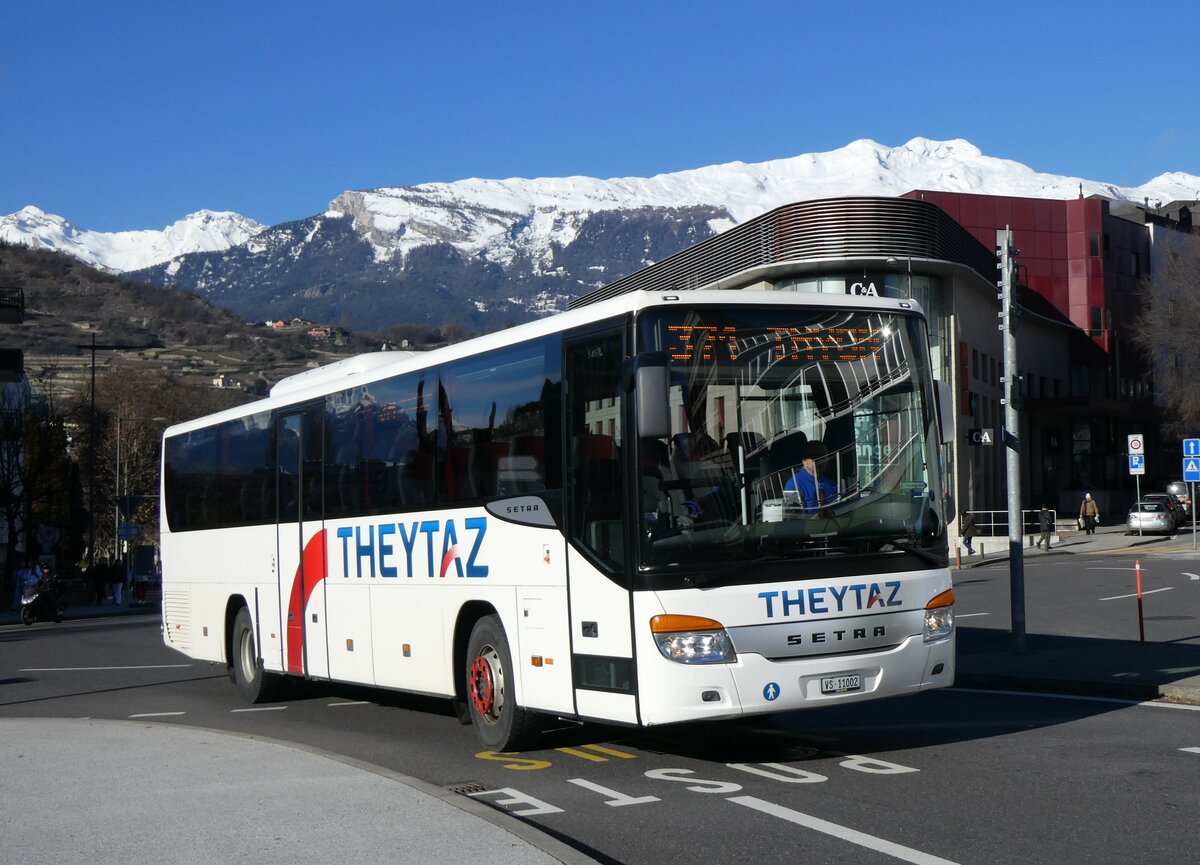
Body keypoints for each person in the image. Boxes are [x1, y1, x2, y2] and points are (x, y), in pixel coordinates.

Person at [783, 441, 838, 513]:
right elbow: (794, 516)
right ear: (804, 461)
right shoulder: (793, 485)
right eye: (815, 457)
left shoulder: (831, 483)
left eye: (824, 456)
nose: (821, 460)